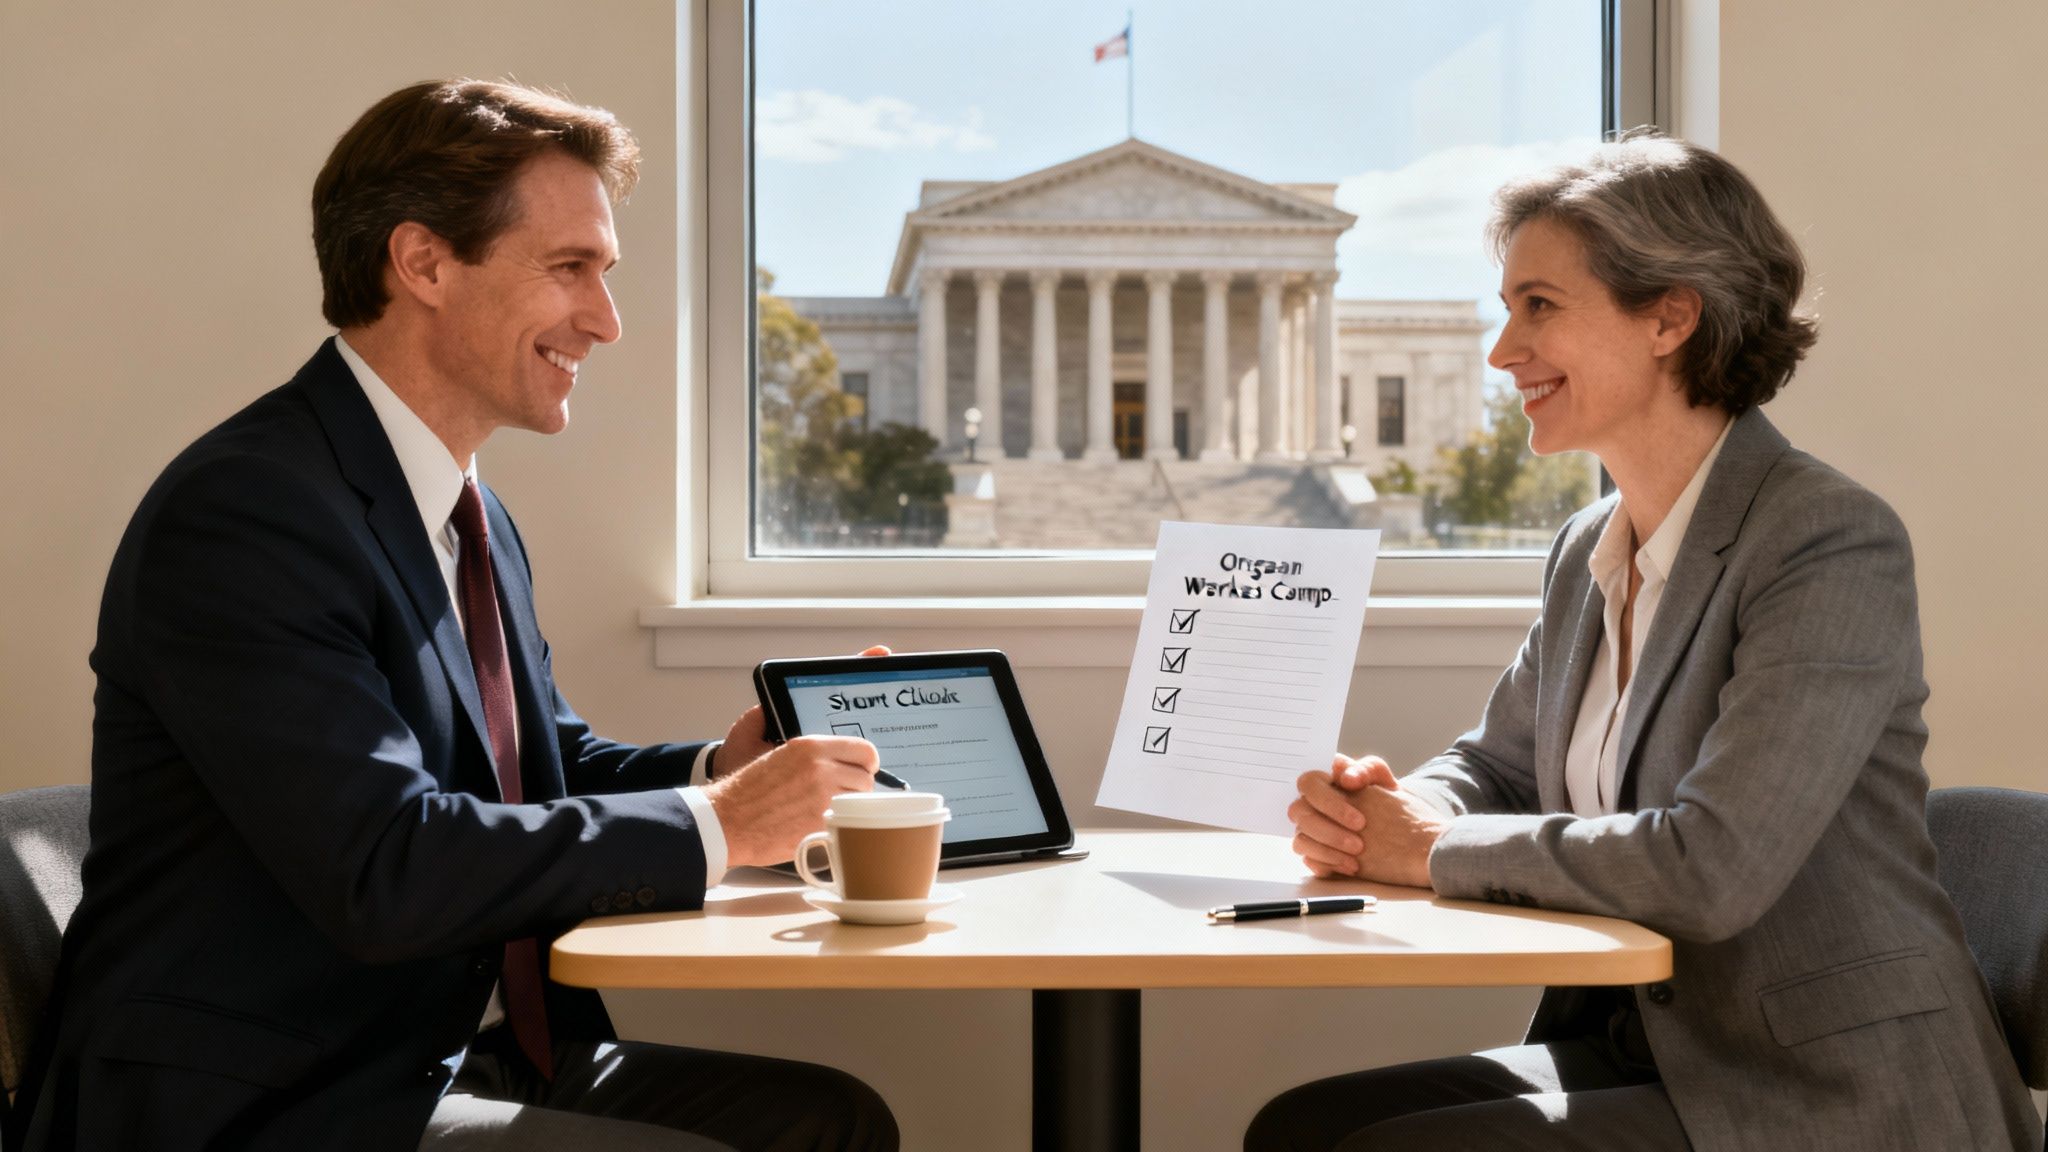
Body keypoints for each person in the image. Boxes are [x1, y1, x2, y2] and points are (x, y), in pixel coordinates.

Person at [11, 80, 899, 1152]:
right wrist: (725, 825)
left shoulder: (468, 512)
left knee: (832, 1123)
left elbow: (534, 771)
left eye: (604, 274)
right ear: (423, 263)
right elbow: (386, 863)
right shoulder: (248, 514)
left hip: (446, 1047)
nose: (605, 321)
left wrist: (722, 773)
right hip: (275, 1102)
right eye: (568, 268)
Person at [1246, 135, 2043, 1151]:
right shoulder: (1589, 544)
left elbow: (1712, 866)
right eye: (1506, 309)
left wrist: (1428, 850)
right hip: (1658, 1046)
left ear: (1669, 317)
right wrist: (1395, 811)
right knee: (1301, 1129)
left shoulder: (1825, 539)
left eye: (1539, 306)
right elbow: (1498, 765)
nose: (1502, 350)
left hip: (1834, 1088)